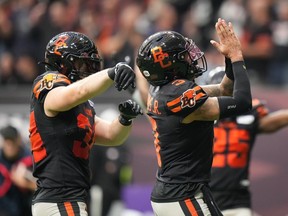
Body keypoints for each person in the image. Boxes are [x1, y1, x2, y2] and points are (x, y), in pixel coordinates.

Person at [135, 18, 252, 216]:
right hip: (182, 194)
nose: (191, 58)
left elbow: (224, 89)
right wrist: (238, 56)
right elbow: (242, 102)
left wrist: (229, 60)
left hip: (180, 190)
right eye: (185, 55)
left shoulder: (166, 90)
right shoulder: (178, 95)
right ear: (171, 65)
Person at [29, 31, 143, 216]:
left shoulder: (80, 104)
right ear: (63, 63)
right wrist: (111, 73)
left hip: (70, 199)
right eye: (82, 63)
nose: (87, 70)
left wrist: (125, 119)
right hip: (59, 199)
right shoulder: (48, 83)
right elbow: (75, 92)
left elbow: (111, 136)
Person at [205, 66, 288, 216]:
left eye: (230, 89)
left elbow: (271, 122)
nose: (226, 94)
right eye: (223, 89)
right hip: (204, 197)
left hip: (237, 199)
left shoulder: (248, 116)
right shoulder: (199, 117)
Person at [0, 125, 36, 216]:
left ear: (18, 141)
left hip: (26, 208)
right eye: (7, 143)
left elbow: (43, 187)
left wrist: (26, 183)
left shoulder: (30, 159)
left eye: (12, 142)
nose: (10, 147)